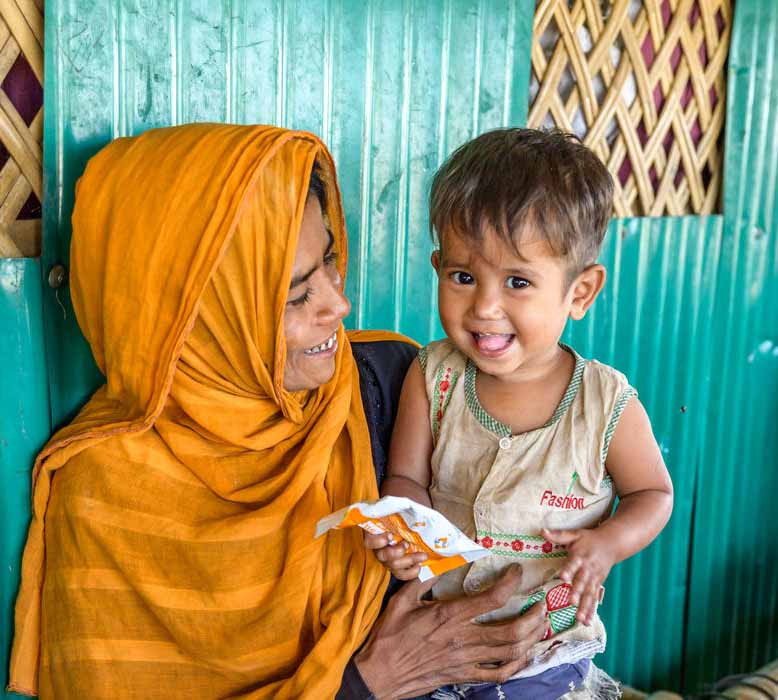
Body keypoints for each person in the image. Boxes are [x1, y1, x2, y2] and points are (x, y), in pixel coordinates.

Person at [7, 124, 547, 700]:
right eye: (294, 295)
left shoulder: (391, 382)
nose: (338, 305)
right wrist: (368, 684)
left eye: (331, 264)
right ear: (198, 321)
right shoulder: (107, 497)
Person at [365, 129, 674, 699]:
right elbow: (407, 478)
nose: (484, 306)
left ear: (580, 292)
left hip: (546, 642)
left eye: (517, 282)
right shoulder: (433, 377)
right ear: (438, 268)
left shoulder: (604, 402)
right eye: (463, 276)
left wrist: (608, 543)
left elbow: (653, 494)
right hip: (440, 640)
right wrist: (407, 528)